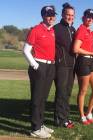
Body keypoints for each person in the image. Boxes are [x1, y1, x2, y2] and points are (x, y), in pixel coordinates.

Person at [23, 5, 56, 138]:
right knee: (37, 98)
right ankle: (35, 129)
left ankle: (40, 124)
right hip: (39, 66)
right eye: (49, 14)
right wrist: (35, 65)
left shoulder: (52, 31)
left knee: (43, 98)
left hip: (50, 66)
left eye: (53, 14)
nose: (51, 17)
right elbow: (25, 50)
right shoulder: (36, 30)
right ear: (43, 15)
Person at [73, 9, 93, 125]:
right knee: (83, 90)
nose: (90, 19)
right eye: (88, 17)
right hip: (83, 61)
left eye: (92, 17)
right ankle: (82, 115)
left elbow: (87, 46)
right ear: (83, 17)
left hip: (92, 61)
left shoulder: (89, 32)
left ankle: (88, 112)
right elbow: (76, 49)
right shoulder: (81, 30)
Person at [53, 2, 75, 129]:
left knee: (67, 93)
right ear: (62, 14)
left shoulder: (72, 29)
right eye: (68, 14)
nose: (70, 17)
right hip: (61, 66)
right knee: (61, 92)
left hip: (71, 66)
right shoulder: (57, 28)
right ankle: (60, 120)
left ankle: (65, 116)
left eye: (72, 15)